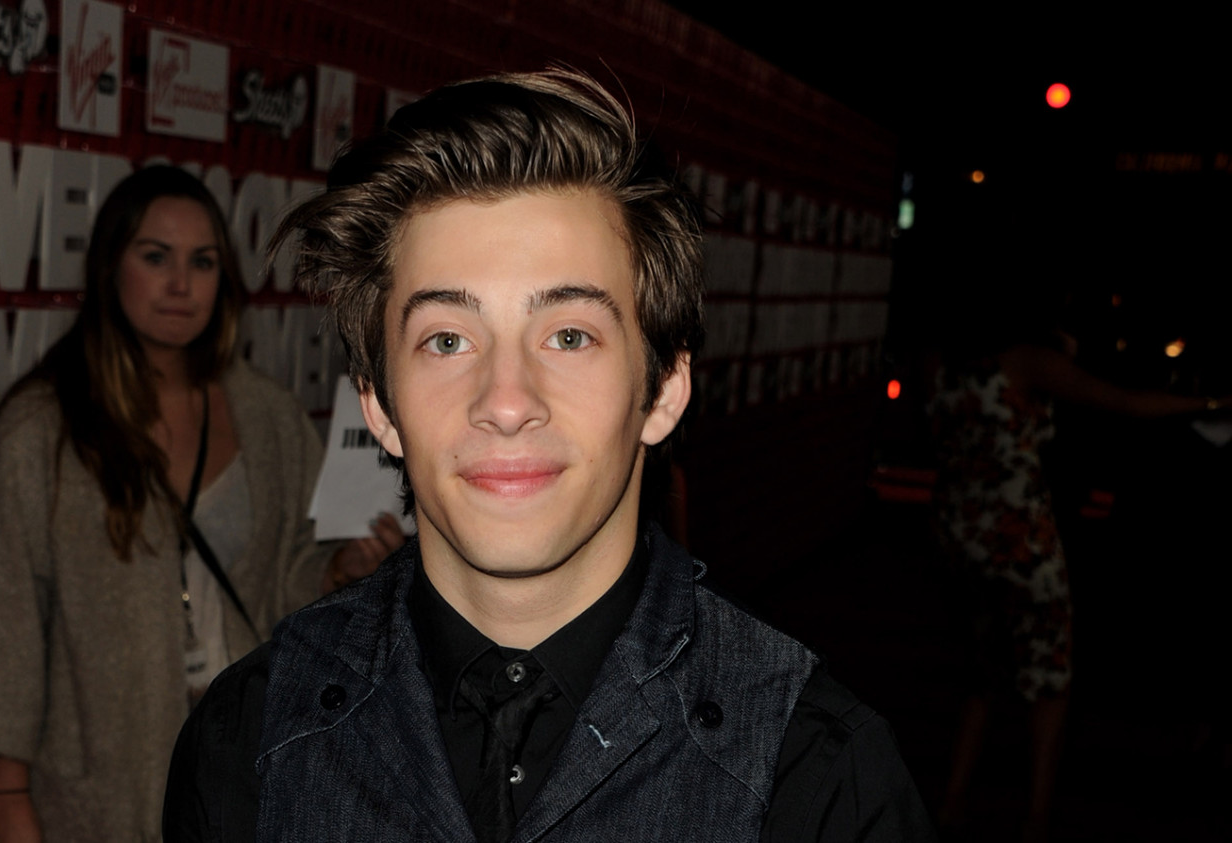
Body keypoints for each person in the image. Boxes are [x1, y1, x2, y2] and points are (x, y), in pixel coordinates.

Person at [162, 70, 934, 842]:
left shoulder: (818, 779)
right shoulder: (249, 744)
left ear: (663, 389)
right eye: (447, 339)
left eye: (569, 335)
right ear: (379, 406)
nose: (506, 401)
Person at [0, 165, 403, 843]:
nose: (181, 283)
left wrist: (337, 572)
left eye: (202, 262)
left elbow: (288, 575)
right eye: (156, 257)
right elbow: (4, 618)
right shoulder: (46, 425)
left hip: (244, 759)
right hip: (97, 779)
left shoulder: (266, 415)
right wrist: (7, 792)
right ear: (110, 268)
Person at [928, 306, 1229, 841]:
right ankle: (1036, 817)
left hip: (959, 531)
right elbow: (1123, 402)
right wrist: (1212, 403)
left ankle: (952, 802)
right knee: (1050, 679)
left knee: (981, 676)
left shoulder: (943, 361)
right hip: (1020, 539)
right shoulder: (1027, 361)